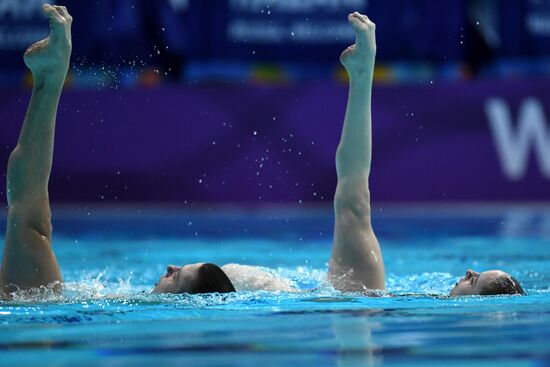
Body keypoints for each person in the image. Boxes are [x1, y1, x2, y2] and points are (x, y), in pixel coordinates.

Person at [1, 7, 524, 298]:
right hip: (348, 301)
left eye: (485, 283)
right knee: (353, 202)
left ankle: (52, 80)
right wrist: (362, 80)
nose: (474, 271)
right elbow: (352, 199)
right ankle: (362, 76)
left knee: (28, 223)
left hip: (343, 302)